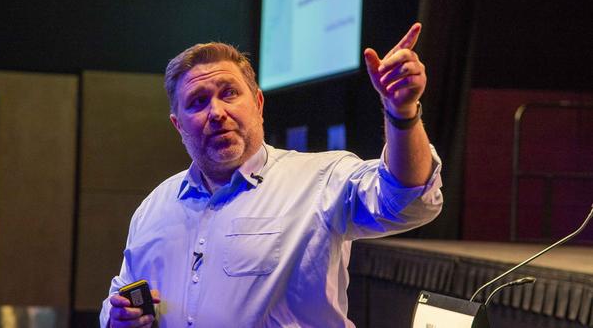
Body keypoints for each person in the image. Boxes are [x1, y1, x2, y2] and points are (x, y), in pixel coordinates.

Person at [100, 23, 443, 328]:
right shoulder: (153, 209)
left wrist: (401, 113)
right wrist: (119, 320)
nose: (216, 112)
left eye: (229, 93)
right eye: (198, 101)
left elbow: (408, 201)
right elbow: (118, 300)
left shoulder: (321, 180)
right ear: (178, 125)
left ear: (259, 104)